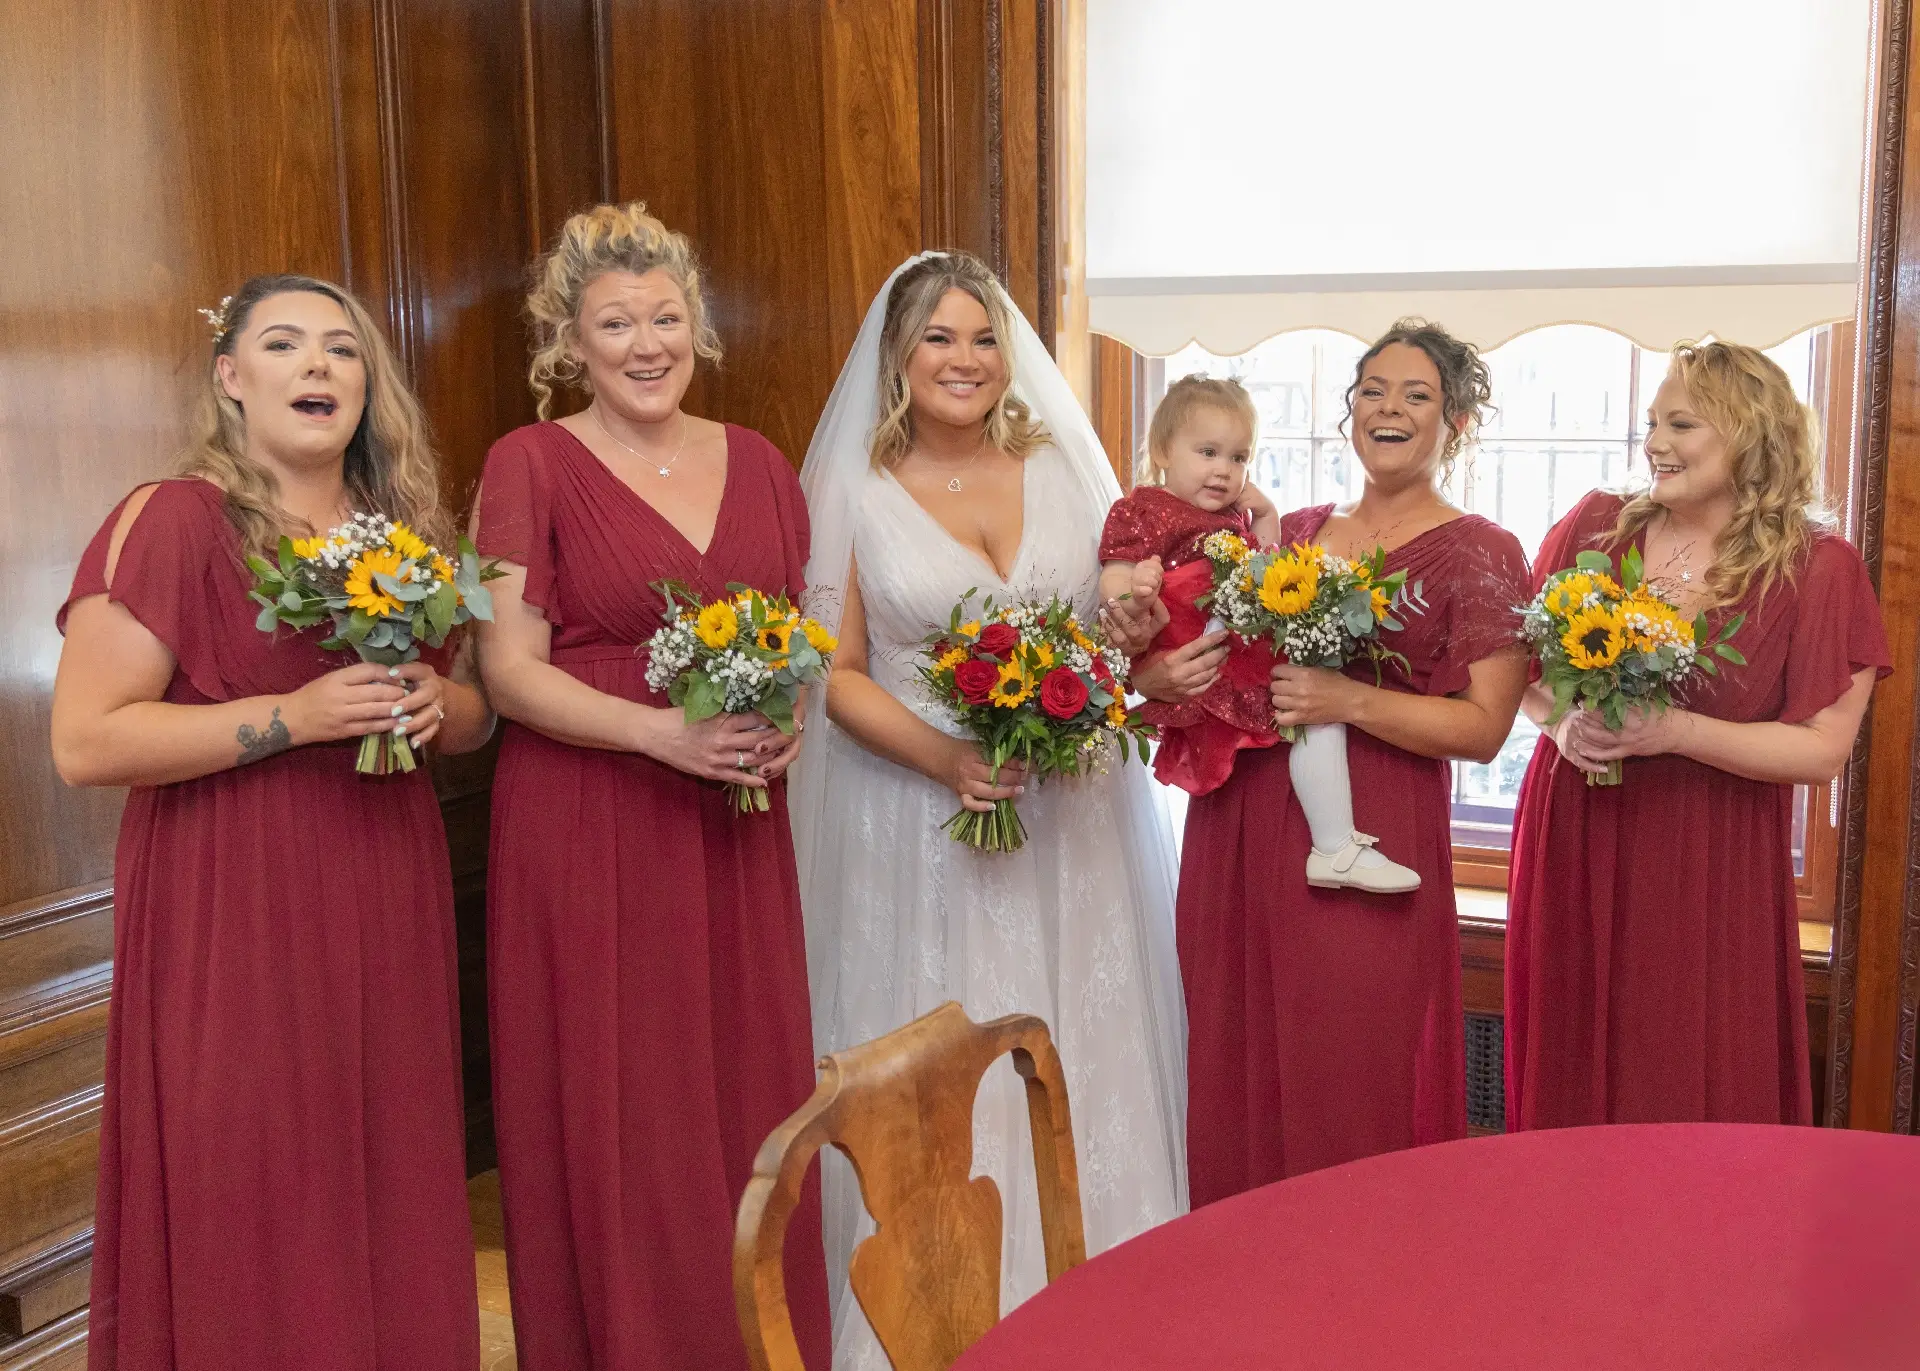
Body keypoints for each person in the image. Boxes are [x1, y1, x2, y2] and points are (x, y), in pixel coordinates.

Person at [51, 274, 487, 1369]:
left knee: (383, 1162)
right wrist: (288, 718)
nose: (319, 368)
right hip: (233, 907)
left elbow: (474, 714)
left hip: (385, 889)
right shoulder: (174, 520)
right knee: (256, 1173)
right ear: (232, 380)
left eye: (342, 350)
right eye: (285, 345)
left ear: (367, 385)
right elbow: (87, 742)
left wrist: (446, 708)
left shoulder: (405, 533)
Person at [791, 251, 1187, 1369]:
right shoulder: (854, 493)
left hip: (1071, 818)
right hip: (919, 820)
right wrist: (948, 759)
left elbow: (1123, 628)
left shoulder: (1064, 471)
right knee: (950, 1045)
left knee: (1079, 1033)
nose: (963, 361)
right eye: (938, 340)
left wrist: (1123, 635)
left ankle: (1105, 1302)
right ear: (897, 359)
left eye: (981, 339)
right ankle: (939, 1321)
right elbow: (842, 671)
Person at [472, 202, 830, 1370]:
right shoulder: (528, 463)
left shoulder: (765, 463)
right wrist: (656, 734)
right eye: (614, 321)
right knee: (622, 1116)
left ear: (698, 327)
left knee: (742, 1104)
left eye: (664, 317)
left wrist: (782, 725)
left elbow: (796, 645)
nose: (644, 343)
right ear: (568, 341)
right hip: (589, 825)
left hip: (733, 824)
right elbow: (507, 673)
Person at [1166, 319, 1530, 1198]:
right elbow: (1207, 661)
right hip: (1238, 833)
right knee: (1237, 1065)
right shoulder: (1288, 530)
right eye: (1373, 392)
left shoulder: (1483, 551)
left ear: (1457, 424)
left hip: (1368, 842)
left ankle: (1353, 1302)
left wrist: (1350, 700)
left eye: (1417, 396)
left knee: (1351, 1076)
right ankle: (1238, 1294)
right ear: (1350, 413)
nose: (1390, 409)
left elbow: (1484, 729)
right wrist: (1153, 661)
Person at [1505, 341, 1890, 1129]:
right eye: (1652, 423)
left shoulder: (1819, 569)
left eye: (1681, 423)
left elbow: (1822, 748)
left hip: (1706, 861)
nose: (1654, 444)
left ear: (1752, 435)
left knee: (1684, 1069)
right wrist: (1561, 727)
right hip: (1574, 836)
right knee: (1570, 1063)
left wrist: (1675, 730)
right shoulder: (1596, 527)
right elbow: (1522, 672)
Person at [1099, 374, 1419, 892]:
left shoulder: (1230, 519)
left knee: (1315, 711)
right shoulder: (1142, 509)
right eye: (1208, 452)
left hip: (1238, 648)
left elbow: (1263, 565)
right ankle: (1335, 846)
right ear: (1161, 450)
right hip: (1197, 658)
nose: (1224, 471)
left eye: (1239, 457)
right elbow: (1113, 573)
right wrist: (1132, 591)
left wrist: (1265, 514)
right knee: (1308, 709)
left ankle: (1334, 843)